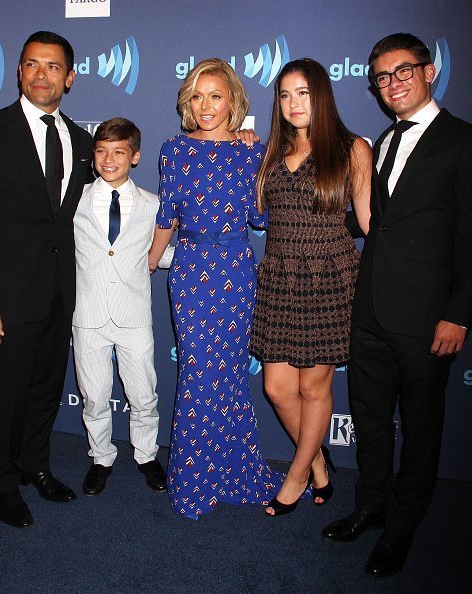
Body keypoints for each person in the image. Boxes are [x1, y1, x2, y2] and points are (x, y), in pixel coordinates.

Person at [321, 33, 472, 577]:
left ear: (429, 72)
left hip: (429, 317)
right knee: (370, 417)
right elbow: (367, 222)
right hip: (371, 312)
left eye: (402, 71)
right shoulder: (379, 143)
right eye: (382, 78)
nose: (392, 84)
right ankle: (371, 505)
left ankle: (403, 527)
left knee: (423, 425)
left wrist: (459, 312)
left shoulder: (461, 141)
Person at [0, 31, 94, 528]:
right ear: (18, 71)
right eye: (32, 64)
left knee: (44, 391)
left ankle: (36, 465)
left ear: (69, 77)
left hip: (59, 292)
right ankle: (2, 483)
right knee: (9, 396)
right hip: (5, 297)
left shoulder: (80, 140)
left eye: (53, 67)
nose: (41, 74)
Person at [148, 58, 283, 519]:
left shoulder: (251, 153)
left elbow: (259, 218)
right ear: (188, 101)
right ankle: (193, 478)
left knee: (227, 377)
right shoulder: (173, 150)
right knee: (197, 374)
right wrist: (146, 264)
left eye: (216, 96)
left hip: (236, 272)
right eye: (197, 96)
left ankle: (232, 470)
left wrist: (257, 156)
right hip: (189, 273)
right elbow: (167, 216)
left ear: (233, 101)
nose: (205, 105)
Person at [250, 59, 372, 516]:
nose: (293, 103)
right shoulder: (268, 153)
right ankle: (318, 460)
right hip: (280, 279)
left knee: (315, 389)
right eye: (284, 95)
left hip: (328, 277)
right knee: (278, 389)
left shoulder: (352, 148)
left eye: (302, 93)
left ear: (320, 94)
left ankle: (297, 475)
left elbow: (369, 223)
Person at [72, 118, 173, 496]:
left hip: (133, 316)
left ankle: (146, 455)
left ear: (135, 156)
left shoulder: (153, 205)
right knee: (94, 395)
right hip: (88, 315)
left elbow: (156, 255)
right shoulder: (75, 200)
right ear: (93, 156)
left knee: (143, 392)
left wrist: (192, 261)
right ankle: (101, 456)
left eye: (118, 152)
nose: (108, 159)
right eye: (101, 151)